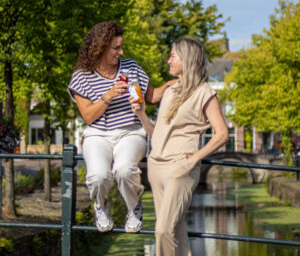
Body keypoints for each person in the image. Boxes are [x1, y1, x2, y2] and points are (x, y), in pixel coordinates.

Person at [67, 21, 175, 233]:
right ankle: (101, 205)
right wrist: (107, 96)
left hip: (130, 131)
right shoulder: (81, 77)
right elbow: (88, 116)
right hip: (97, 134)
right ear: (100, 47)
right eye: (116, 48)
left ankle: (134, 208)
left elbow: (151, 96)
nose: (121, 51)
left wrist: (176, 83)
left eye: (121, 46)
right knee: (98, 176)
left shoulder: (131, 67)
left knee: (124, 170)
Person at [130, 37, 229, 255]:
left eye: (173, 55)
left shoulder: (205, 92)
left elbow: (222, 134)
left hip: (180, 168)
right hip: (157, 166)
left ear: (187, 58)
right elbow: (159, 135)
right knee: (176, 230)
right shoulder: (169, 92)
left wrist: (193, 160)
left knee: (162, 230)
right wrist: (142, 115)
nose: (168, 61)